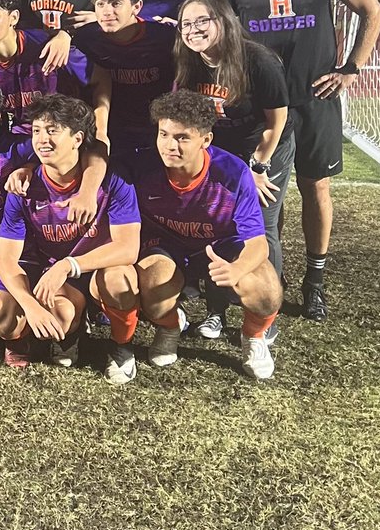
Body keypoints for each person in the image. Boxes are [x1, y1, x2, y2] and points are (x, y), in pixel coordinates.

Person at [215, 0, 380, 320]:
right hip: (261, 106)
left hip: (314, 98)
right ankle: (270, 271)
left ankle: (315, 279)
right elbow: (220, 33)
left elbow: (373, 10)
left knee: (315, 187)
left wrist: (352, 66)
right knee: (265, 196)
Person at [113, 91, 283, 384]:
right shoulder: (141, 164)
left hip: (222, 248)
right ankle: (170, 325)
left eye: (182, 138)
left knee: (267, 292)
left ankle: (253, 337)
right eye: (164, 134)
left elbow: (257, 243)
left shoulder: (231, 172)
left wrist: (237, 269)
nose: (169, 145)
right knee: (152, 289)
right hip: (166, 247)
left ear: (206, 140)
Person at [174, 0, 291, 339]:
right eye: (186, 24)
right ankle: (215, 312)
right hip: (221, 149)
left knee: (260, 224)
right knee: (216, 223)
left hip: (264, 147)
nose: (193, 30)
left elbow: (276, 123)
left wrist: (256, 168)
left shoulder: (259, 60)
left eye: (202, 21)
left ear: (223, 20)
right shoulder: (189, 60)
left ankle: (266, 314)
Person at [0, 95, 140, 370]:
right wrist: (30, 306)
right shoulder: (23, 185)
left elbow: (128, 248)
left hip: (97, 269)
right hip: (57, 278)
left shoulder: (113, 180)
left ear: (77, 138)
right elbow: (5, 260)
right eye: (37, 131)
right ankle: (72, 332)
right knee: (35, 315)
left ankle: (122, 347)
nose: (42, 139)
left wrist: (69, 265)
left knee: (120, 280)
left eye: (53, 131)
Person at [0, 0, 100, 136]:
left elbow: (100, 78)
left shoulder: (48, 46)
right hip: (16, 145)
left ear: (13, 17)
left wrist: (100, 131)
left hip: (62, 138)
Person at [69, 0, 175, 155]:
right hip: (109, 133)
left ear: (137, 6)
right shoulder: (86, 39)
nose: (107, 11)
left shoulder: (163, 38)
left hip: (156, 133)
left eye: (116, 3)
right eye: (100, 4)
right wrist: (63, 35)